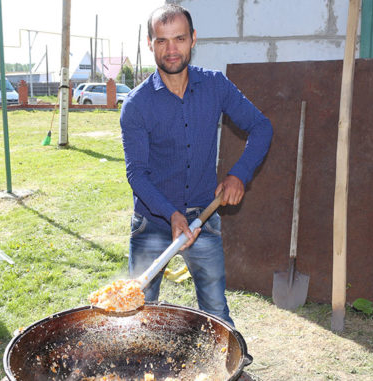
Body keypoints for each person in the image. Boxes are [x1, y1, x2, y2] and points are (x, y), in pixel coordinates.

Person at [120, 4, 273, 326]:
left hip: (203, 218)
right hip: (153, 222)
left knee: (216, 309)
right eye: (161, 41)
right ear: (150, 43)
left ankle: (231, 370)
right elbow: (136, 173)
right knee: (139, 312)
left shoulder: (215, 85)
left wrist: (239, 175)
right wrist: (171, 214)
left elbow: (261, 127)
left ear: (193, 39)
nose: (171, 49)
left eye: (179, 38)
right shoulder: (136, 104)